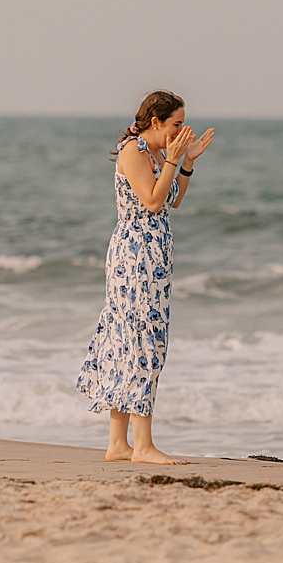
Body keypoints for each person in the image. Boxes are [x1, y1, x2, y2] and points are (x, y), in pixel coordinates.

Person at [75, 90, 215, 462]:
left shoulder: (156, 153)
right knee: (141, 342)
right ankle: (143, 446)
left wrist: (184, 162)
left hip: (153, 254)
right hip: (134, 254)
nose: (181, 131)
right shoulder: (133, 151)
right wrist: (171, 158)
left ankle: (118, 444)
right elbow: (152, 200)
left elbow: (174, 200)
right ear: (155, 122)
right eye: (176, 124)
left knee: (133, 339)